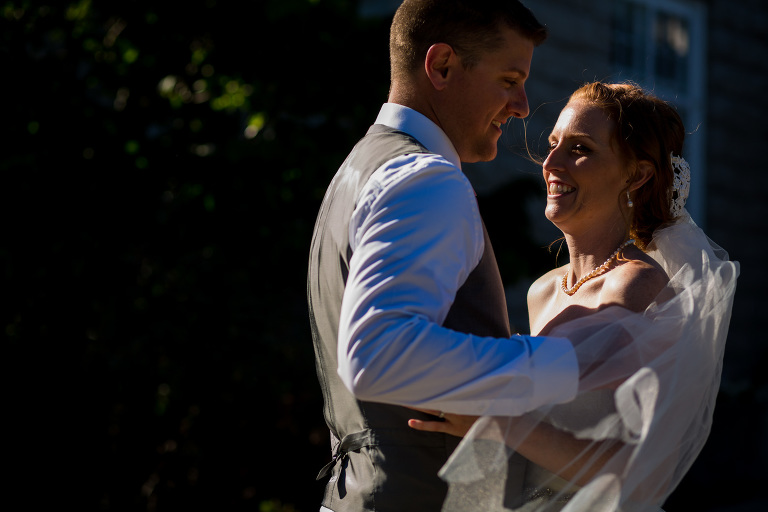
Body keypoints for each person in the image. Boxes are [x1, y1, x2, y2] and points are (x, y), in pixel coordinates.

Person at [306, 1, 596, 511]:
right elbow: (378, 354)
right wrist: (557, 362)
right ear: (441, 66)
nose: (523, 105)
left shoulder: (358, 169)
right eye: (509, 80)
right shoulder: (425, 180)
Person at [409, 82, 739, 511]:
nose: (550, 163)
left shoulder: (639, 287)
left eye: (579, 149)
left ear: (636, 175)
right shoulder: (543, 290)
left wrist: (498, 422)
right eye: (552, 144)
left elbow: (640, 473)